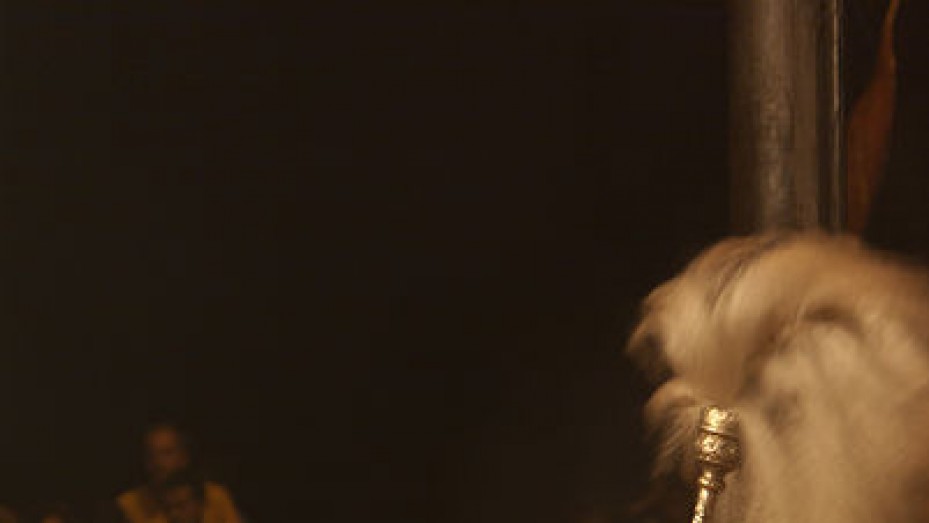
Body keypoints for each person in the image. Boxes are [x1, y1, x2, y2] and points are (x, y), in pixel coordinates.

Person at [117, 423, 242, 523]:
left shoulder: (215, 497)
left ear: (184, 457)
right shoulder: (128, 505)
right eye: (150, 455)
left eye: (167, 453)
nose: (158, 462)